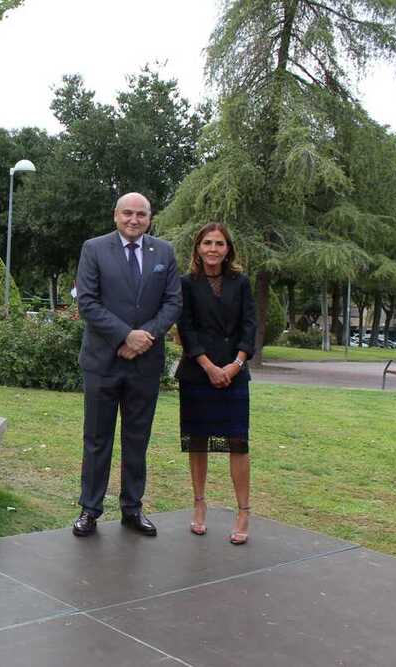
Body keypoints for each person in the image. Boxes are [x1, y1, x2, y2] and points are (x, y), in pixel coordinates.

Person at [73, 192, 181, 539]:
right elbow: (87, 303)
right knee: (97, 439)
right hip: (102, 362)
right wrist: (124, 336)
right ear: (115, 215)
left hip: (145, 364)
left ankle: (132, 509)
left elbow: (173, 302)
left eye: (141, 214)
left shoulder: (164, 252)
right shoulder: (94, 248)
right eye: (127, 214)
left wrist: (144, 337)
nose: (134, 220)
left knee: (137, 439)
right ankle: (90, 510)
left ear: (150, 218)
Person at [175, 223, 256, 545]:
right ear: (197, 248)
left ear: (228, 249)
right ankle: (199, 504)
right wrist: (209, 366)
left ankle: (244, 510)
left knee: (238, 442)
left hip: (234, 373)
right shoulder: (186, 284)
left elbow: (250, 326)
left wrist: (235, 365)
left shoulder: (242, 283)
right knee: (198, 441)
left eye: (219, 243)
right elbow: (187, 328)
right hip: (198, 372)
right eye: (207, 243)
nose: (212, 248)